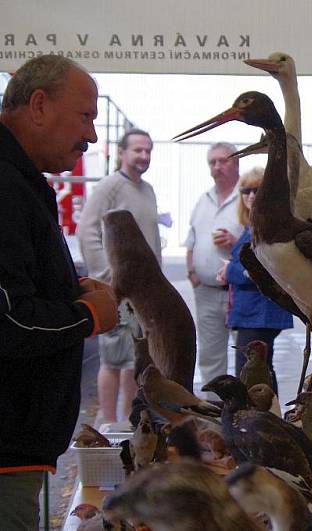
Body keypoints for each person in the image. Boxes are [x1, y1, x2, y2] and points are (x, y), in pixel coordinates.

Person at [0, 55, 118, 529]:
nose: (90, 134)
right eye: (86, 115)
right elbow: (8, 320)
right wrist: (88, 315)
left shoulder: (22, 182)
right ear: (39, 105)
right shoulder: (6, 185)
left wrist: (70, 290)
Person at [76, 127, 158, 423]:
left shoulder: (147, 190)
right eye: (137, 149)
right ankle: (109, 425)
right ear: (122, 153)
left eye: (148, 150)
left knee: (133, 360)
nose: (144, 155)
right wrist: (107, 277)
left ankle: (126, 424)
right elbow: (87, 230)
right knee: (113, 358)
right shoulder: (110, 186)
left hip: (143, 294)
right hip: (119, 290)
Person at [216, 167, 294, 394]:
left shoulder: (267, 227)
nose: (250, 196)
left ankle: (262, 419)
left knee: (252, 374)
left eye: (257, 190)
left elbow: (261, 271)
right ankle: (269, 418)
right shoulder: (254, 226)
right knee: (261, 371)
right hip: (254, 314)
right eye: (246, 190)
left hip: (260, 314)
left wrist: (230, 271)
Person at [185, 142, 243, 389]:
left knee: (246, 357)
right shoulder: (204, 200)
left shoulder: (250, 195)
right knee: (210, 358)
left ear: (237, 162)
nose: (217, 167)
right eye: (212, 162)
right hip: (207, 291)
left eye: (224, 160)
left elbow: (264, 242)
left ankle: (247, 418)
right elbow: (192, 240)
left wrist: (235, 242)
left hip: (240, 293)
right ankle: (213, 414)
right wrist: (192, 274)